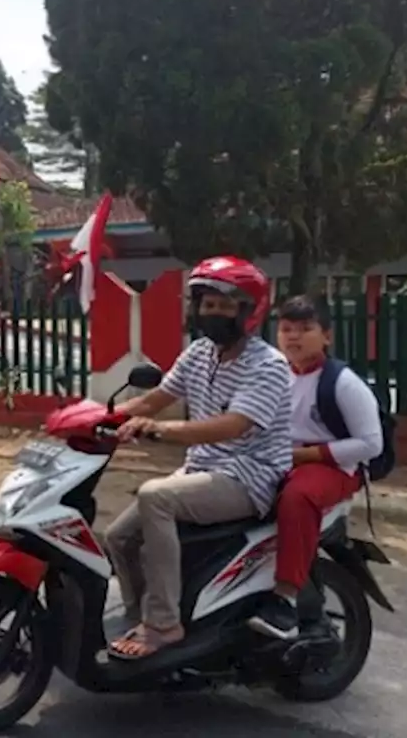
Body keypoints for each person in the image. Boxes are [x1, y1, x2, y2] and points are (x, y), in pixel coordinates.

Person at [105, 256, 293, 660]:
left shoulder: (268, 365)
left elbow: (234, 426)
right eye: (207, 305)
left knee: (156, 496)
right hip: (204, 468)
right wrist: (96, 416)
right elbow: (156, 399)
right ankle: (140, 612)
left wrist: (159, 429)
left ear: (249, 310)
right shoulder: (199, 354)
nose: (214, 314)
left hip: (250, 477)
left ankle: (164, 624)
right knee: (118, 537)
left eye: (225, 306)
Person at [247, 295, 383, 640]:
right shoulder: (273, 374)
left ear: (326, 336)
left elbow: (371, 443)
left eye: (305, 329)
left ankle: (285, 598)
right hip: (279, 460)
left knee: (297, 497)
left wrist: (305, 456)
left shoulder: (343, 382)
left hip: (332, 468)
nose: (294, 337)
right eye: (287, 329)